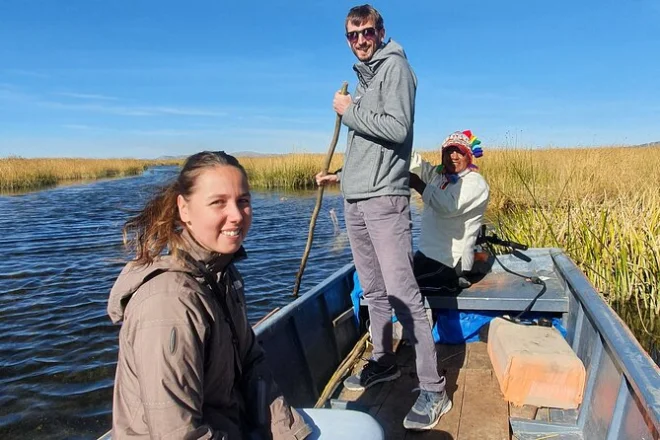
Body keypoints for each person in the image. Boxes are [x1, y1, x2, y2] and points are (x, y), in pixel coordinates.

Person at [107, 151, 384, 440]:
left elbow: (252, 364)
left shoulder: (222, 275)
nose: (237, 216)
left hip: (234, 426)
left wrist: (291, 434)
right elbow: (177, 434)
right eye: (218, 202)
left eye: (243, 201)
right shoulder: (169, 305)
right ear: (184, 209)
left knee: (364, 429)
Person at [316, 4, 451, 431]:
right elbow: (370, 150)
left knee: (402, 293)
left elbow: (397, 129)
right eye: (353, 35)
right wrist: (339, 176)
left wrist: (348, 112)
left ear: (381, 31)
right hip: (355, 200)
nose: (361, 40)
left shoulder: (396, 69)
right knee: (373, 290)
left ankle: (434, 389)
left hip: (384, 202)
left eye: (368, 32)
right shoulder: (366, 78)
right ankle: (383, 361)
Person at [409, 130, 490, 292]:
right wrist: (399, 143)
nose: (453, 156)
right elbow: (417, 164)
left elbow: (449, 207)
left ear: (469, 156)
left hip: (450, 262)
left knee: (400, 286)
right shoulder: (438, 176)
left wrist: (417, 184)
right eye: (448, 151)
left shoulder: (475, 182)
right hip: (427, 255)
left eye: (459, 152)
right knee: (392, 275)